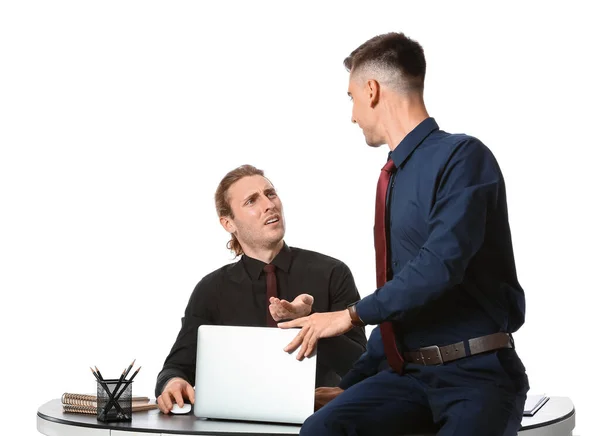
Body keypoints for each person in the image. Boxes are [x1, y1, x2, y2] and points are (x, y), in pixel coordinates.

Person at [279, 32, 529, 435]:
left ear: (372, 90)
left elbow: (438, 267)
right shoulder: (393, 179)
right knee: (320, 429)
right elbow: (403, 305)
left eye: (351, 98)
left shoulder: (464, 158)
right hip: (408, 377)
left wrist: (348, 315)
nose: (353, 114)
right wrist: (351, 386)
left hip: (476, 378)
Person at [155, 164, 367, 414]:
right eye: (251, 201)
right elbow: (176, 367)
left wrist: (309, 322)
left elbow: (363, 368)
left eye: (271, 193)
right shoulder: (210, 290)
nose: (269, 204)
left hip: (318, 421)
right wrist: (174, 382)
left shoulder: (332, 273)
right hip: (236, 425)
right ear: (228, 223)